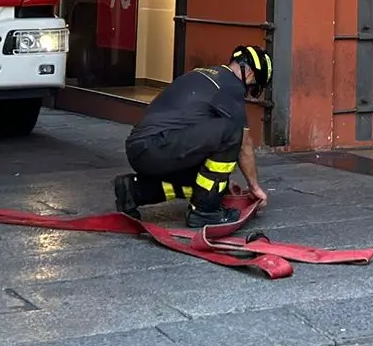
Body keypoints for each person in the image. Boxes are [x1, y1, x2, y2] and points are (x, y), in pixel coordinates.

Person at [112, 46, 272, 228]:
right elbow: (244, 144)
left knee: (209, 186)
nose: (248, 92)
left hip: (142, 149)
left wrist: (219, 183)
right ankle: (205, 212)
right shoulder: (230, 86)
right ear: (249, 72)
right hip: (158, 147)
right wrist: (255, 188)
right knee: (232, 131)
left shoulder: (204, 75)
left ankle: (133, 191)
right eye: (253, 87)